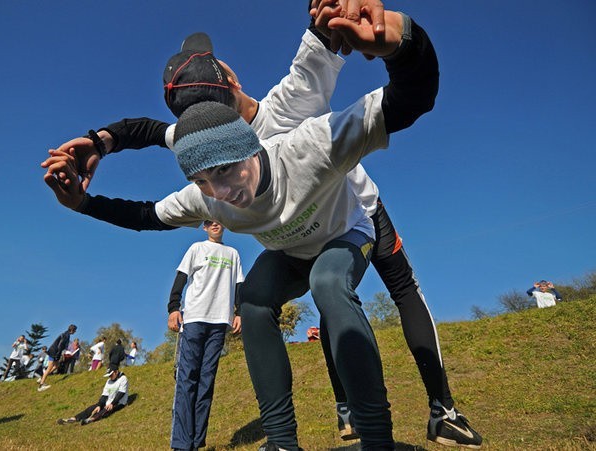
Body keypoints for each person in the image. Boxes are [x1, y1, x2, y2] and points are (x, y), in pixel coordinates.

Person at [47, 3, 481, 448]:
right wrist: (92, 167)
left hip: (351, 216)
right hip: (292, 245)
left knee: (339, 284)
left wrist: (400, 38)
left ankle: (413, 420)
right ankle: (281, 439)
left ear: (233, 94)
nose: (221, 188)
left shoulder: (303, 130)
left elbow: (376, 70)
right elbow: (148, 173)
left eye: (227, 166)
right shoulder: (204, 161)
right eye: (203, 175)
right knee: (253, 298)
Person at [167, 220, 244, 450]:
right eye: (209, 222)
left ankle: (197, 441)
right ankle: (181, 443)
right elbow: (180, 278)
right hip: (193, 320)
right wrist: (173, 308)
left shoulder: (233, 254)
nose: (214, 224)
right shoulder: (196, 249)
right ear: (204, 227)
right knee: (187, 379)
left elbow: (239, 286)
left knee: (206, 381)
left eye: (218, 220)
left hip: (219, 322)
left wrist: (239, 312)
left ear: (225, 225)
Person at [56, 364, 129, 426]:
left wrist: (112, 404)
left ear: (116, 372)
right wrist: (99, 405)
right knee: (92, 408)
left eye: (111, 375)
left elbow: (121, 393)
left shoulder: (123, 379)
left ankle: (91, 419)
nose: (110, 377)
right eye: (109, 375)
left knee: (105, 410)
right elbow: (104, 395)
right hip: (108, 402)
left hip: (119, 403)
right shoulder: (108, 381)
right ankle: (73, 419)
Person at [38, 324, 77, 391]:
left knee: (56, 366)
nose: (75, 332)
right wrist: (57, 355)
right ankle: (41, 386)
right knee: (49, 368)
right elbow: (60, 346)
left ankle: (42, 377)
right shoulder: (66, 335)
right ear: (72, 330)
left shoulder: (66, 334)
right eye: (75, 331)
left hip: (54, 352)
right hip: (54, 352)